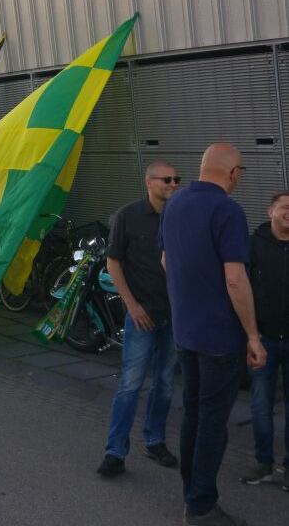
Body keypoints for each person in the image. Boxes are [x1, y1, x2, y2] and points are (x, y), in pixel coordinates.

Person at [160, 143, 266, 526]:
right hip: (219, 338)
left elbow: (166, 260)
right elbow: (235, 278)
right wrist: (253, 336)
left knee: (193, 414)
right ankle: (201, 506)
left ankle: (192, 494)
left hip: (186, 331)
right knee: (212, 423)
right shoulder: (227, 210)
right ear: (233, 173)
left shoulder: (176, 202)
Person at [96, 161, 180, 477]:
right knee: (130, 385)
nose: (173, 184)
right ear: (149, 182)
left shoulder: (179, 216)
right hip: (141, 315)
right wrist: (132, 306)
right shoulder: (128, 216)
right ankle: (115, 451)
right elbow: (113, 262)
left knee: (166, 384)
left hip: (173, 317)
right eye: (167, 179)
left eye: (177, 179)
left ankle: (155, 441)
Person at [240, 191, 289, 492]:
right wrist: (249, 336)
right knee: (260, 405)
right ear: (270, 211)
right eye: (285, 207)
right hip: (263, 339)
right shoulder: (252, 244)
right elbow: (240, 287)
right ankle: (264, 463)